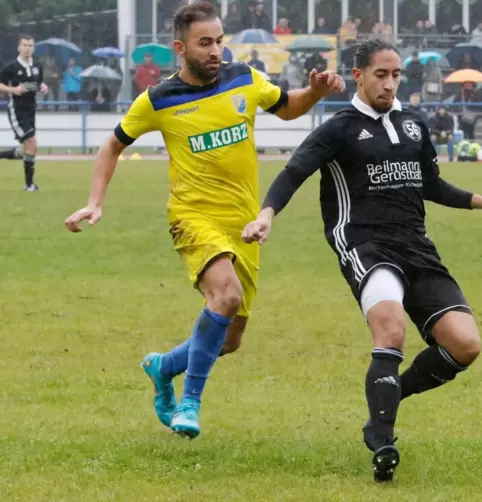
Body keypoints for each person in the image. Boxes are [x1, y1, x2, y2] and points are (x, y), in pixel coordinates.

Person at [241, 38, 482, 482]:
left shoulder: (414, 123)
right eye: (381, 74)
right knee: (391, 330)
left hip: (416, 245)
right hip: (364, 244)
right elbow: (293, 171)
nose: (390, 83)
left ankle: (387, 399)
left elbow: (430, 184)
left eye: (396, 75)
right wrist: (266, 214)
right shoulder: (339, 127)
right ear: (358, 75)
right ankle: (383, 439)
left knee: (465, 345)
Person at [63, 2, 344, 439]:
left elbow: (288, 107)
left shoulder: (244, 78)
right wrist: (95, 202)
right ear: (180, 47)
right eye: (205, 43)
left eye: (219, 41)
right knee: (226, 296)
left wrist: (315, 93)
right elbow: (112, 145)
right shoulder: (158, 99)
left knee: (228, 339)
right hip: (193, 217)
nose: (216, 51)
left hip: (245, 223)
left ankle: (162, 367)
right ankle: (189, 402)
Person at [0, 34, 49, 191]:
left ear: (34, 48)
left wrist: (43, 86)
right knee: (33, 142)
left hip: (31, 110)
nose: (28, 48)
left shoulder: (37, 66)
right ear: (19, 47)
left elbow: (38, 83)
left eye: (30, 46)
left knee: (26, 150)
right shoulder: (11, 67)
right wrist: (13, 89)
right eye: (25, 45)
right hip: (17, 110)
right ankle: (29, 185)